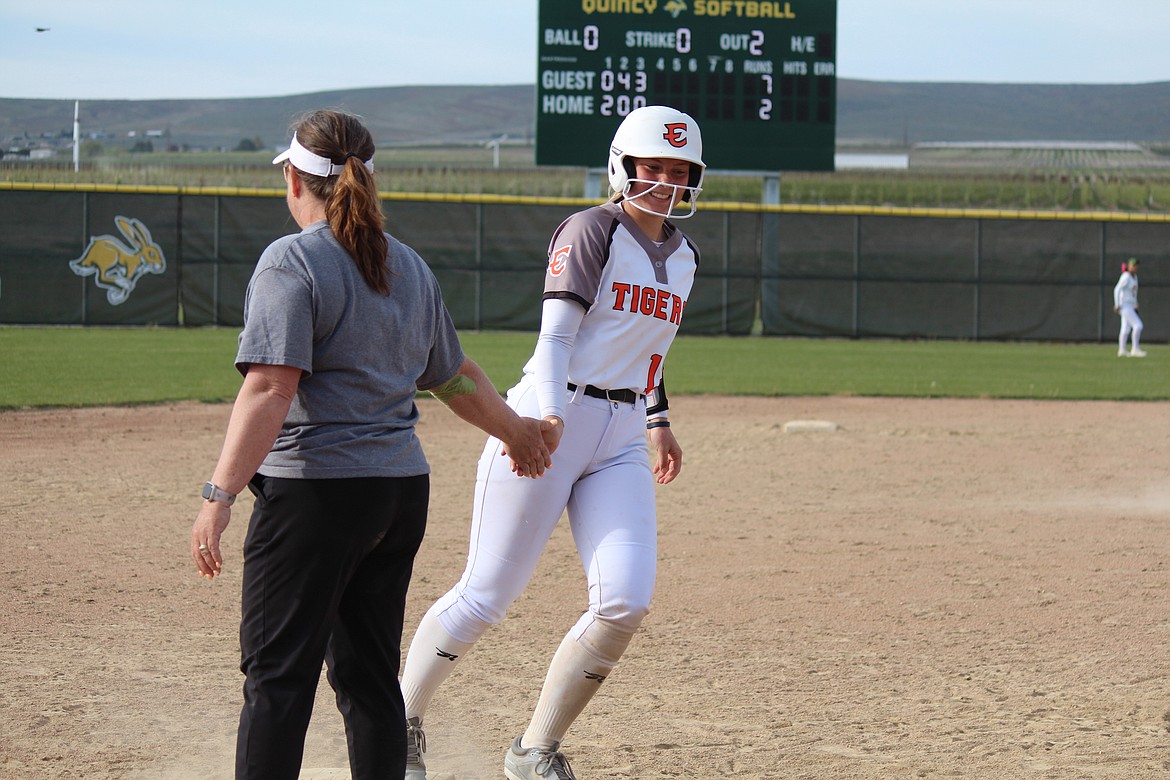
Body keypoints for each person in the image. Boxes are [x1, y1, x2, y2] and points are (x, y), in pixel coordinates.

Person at [188, 109, 555, 780]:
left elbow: (271, 389)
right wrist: (519, 433)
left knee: (278, 678)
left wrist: (220, 494)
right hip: (396, 494)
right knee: (369, 677)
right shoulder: (407, 265)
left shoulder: (290, 261)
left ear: (295, 178)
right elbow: (454, 377)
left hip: (315, 493)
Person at [398, 105, 705, 780]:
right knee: (486, 595)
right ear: (622, 168)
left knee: (625, 599)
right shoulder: (592, 230)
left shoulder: (683, 256)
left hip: (621, 434)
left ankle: (533, 749)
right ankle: (400, 723)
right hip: (551, 414)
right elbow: (558, 339)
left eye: (677, 171)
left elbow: (647, 349)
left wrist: (656, 419)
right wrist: (541, 419)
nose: (663, 181)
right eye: (651, 167)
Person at [1114, 257, 1146, 357]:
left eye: (1136, 265)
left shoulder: (1134, 277)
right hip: (1124, 305)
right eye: (1133, 265)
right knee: (1138, 325)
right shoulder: (1126, 276)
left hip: (1130, 305)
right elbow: (1117, 289)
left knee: (1125, 329)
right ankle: (1135, 349)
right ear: (1128, 266)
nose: (1135, 267)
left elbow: (1133, 292)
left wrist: (1135, 303)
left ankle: (1122, 350)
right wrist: (1117, 304)